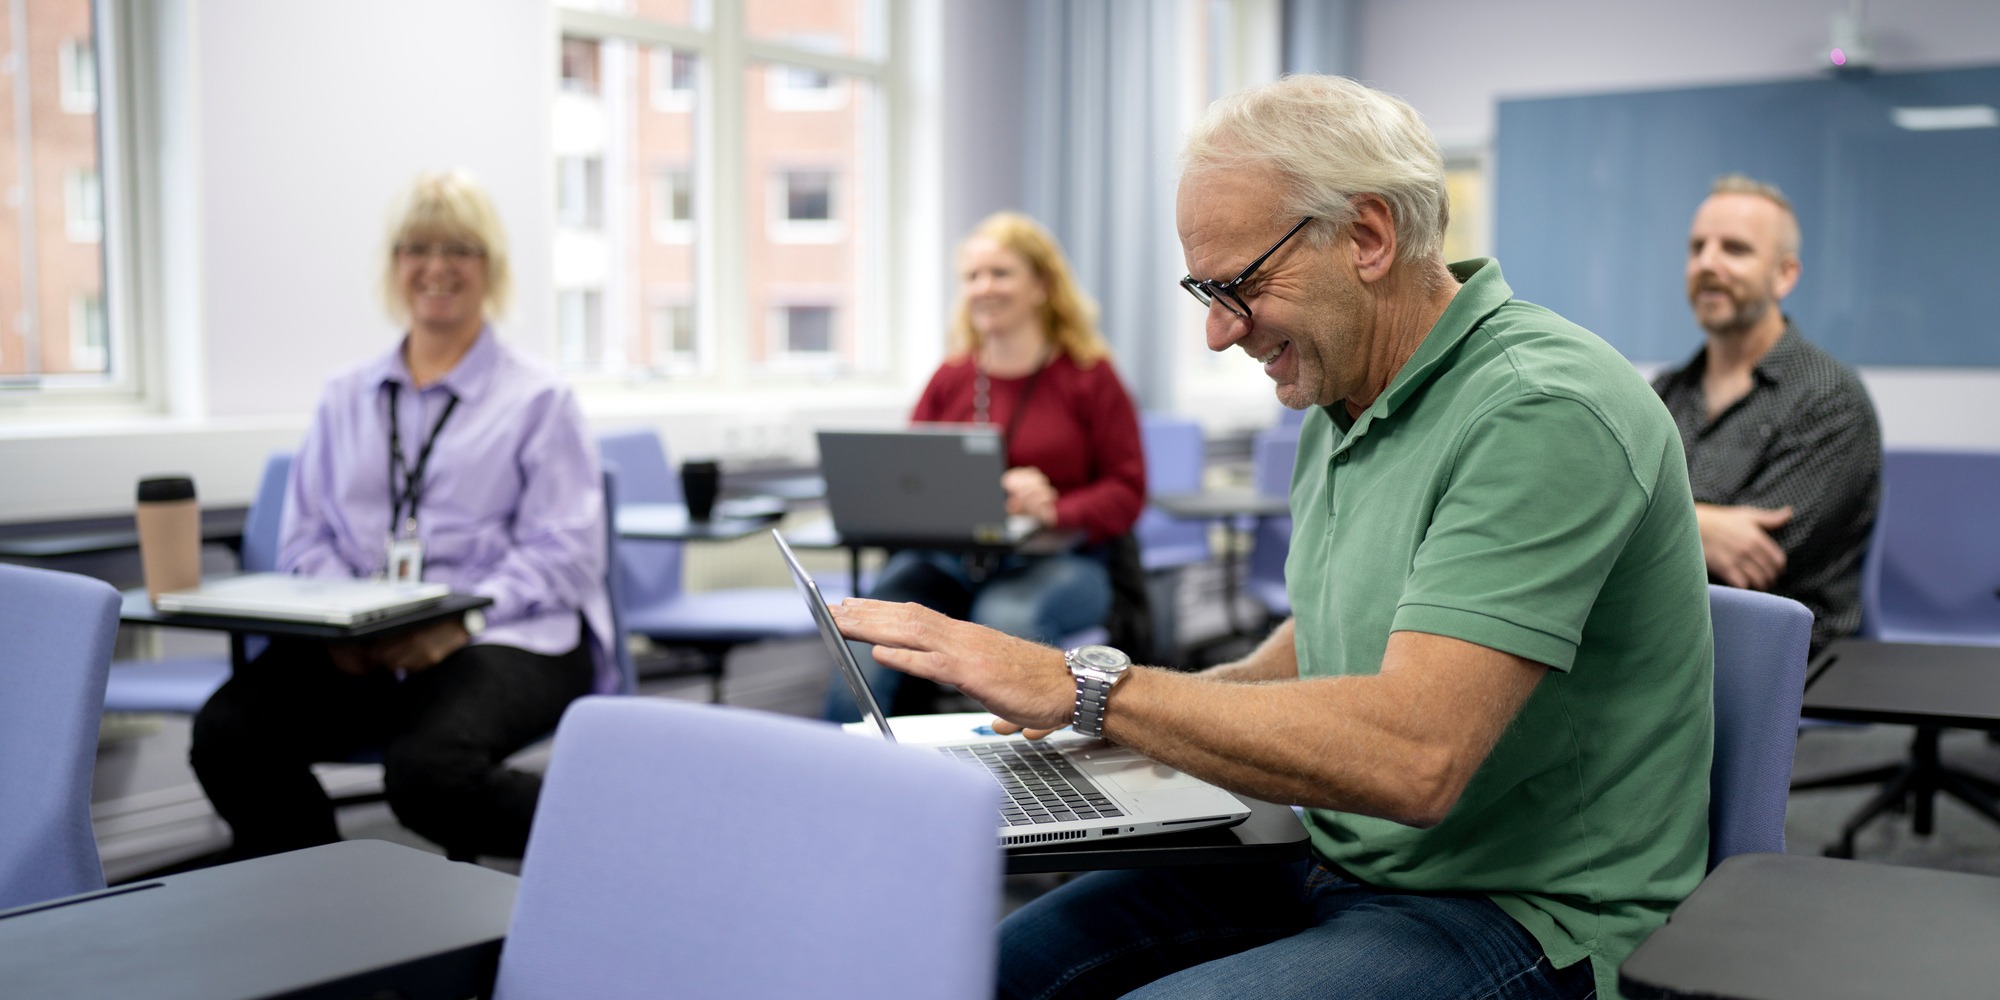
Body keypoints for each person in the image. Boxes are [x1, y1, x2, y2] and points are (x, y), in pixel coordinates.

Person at [831, 76, 1713, 1000]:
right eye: (1201, 292)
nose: (1217, 333)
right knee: (988, 968)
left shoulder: (1541, 408)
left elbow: (1415, 759)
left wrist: (1089, 690)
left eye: (1238, 285)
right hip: (1335, 854)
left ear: (1367, 237)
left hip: (1525, 909)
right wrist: (1114, 722)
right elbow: (1332, 642)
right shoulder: (1345, 399)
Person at [190, 171, 613, 861]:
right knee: (230, 735)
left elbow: (565, 551)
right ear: (394, 266)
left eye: (461, 249)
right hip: (362, 641)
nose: (437, 267)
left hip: (501, 634)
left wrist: (458, 620)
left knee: (429, 774)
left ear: (491, 268)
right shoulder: (344, 397)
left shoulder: (540, 399)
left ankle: (619, 845)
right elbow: (305, 535)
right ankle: (330, 907)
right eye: (417, 247)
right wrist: (346, 618)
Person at [823, 211, 1146, 722]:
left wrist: (1054, 509)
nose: (983, 287)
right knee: (868, 640)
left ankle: (1005, 789)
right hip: (949, 562)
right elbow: (911, 482)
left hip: (1058, 561)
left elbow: (1128, 491)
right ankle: (845, 780)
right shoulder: (950, 379)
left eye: (1000, 273)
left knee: (1004, 619)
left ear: (1041, 286)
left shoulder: (1090, 377)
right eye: (973, 276)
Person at [1654, 175, 1881, 655]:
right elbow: (1597, 503)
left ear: (1784, 275)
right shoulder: (1664, 393)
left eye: (1734, 249)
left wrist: (1655, 521)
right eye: (1697, 247)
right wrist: (1702, 526)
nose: (1707, 263)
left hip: (1775, 652)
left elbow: (1751, 561)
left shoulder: (1828, 398)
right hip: (1665, 635)